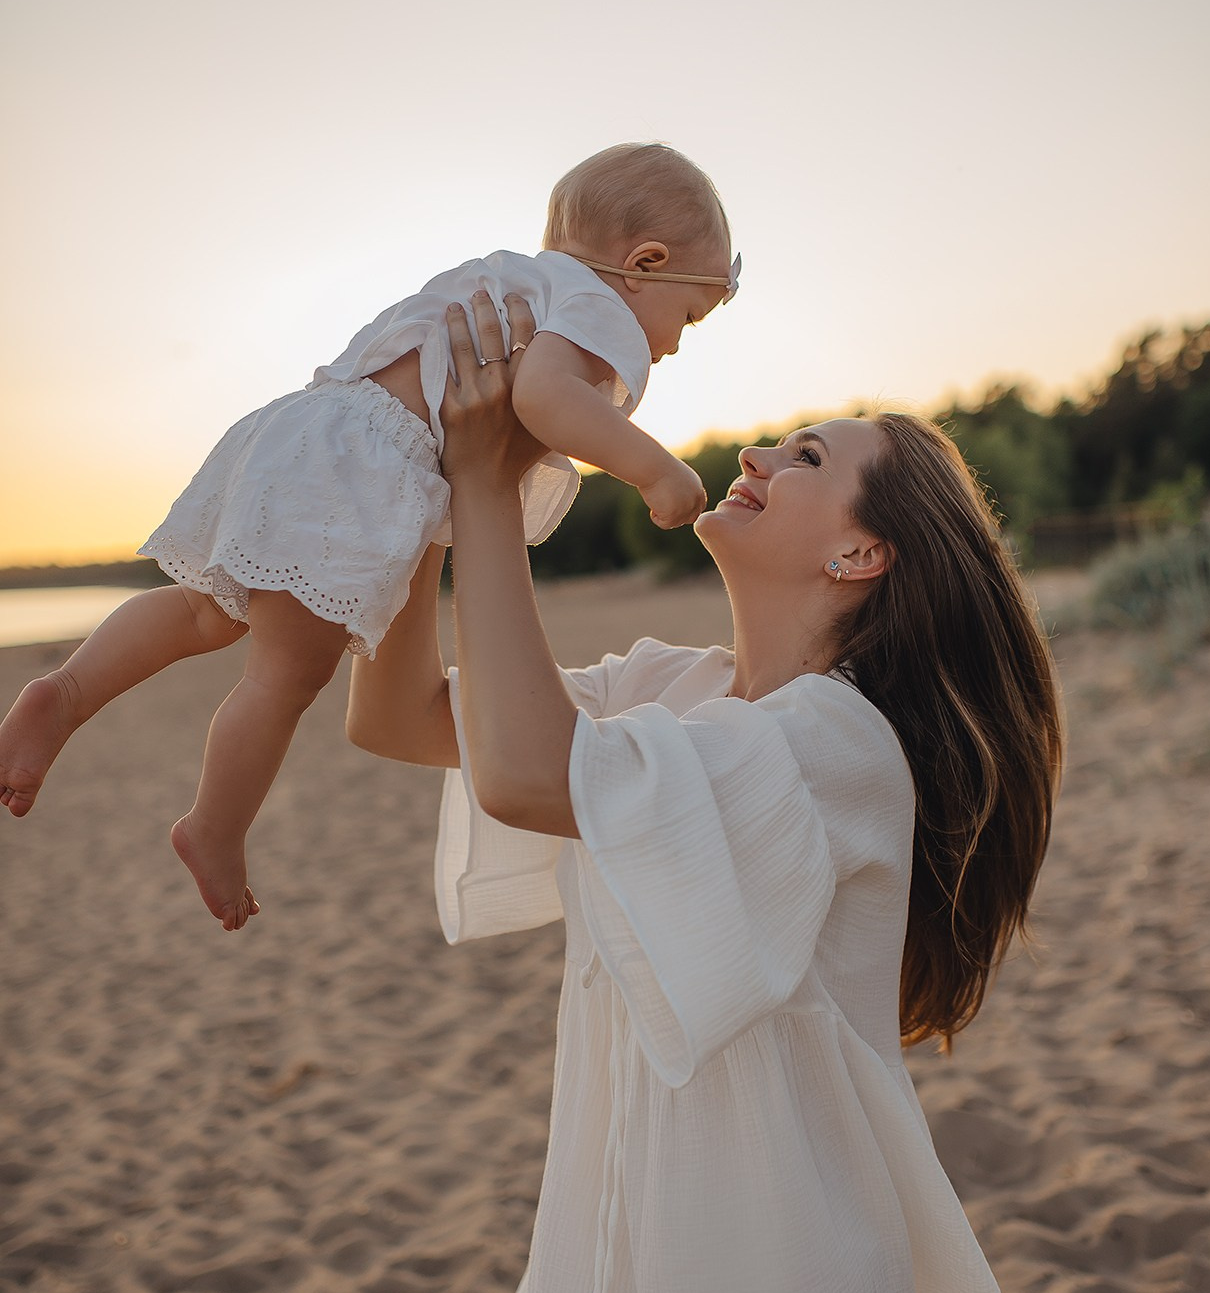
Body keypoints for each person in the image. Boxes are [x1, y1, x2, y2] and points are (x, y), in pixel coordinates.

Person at [346, 289, 1062, 1293]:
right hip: (621, 1232)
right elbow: (394, 718)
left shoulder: (840, 746)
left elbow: (521, 772)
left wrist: (492, 489)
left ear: (860, 552)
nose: (756, 454)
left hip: (770, 1259)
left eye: (806, 457)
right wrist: (431, 494)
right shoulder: (665, 692)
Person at [0, 144, 737, 930]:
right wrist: (655, 470)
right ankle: (213, 826)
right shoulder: (597, 305)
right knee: (284, 676)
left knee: (204, 612)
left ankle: (63, 690)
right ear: (644, 264)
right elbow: (545, 395)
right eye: (689, 316)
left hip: (309, 428)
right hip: (365, 467)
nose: (674, 342)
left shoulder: (512, 276)